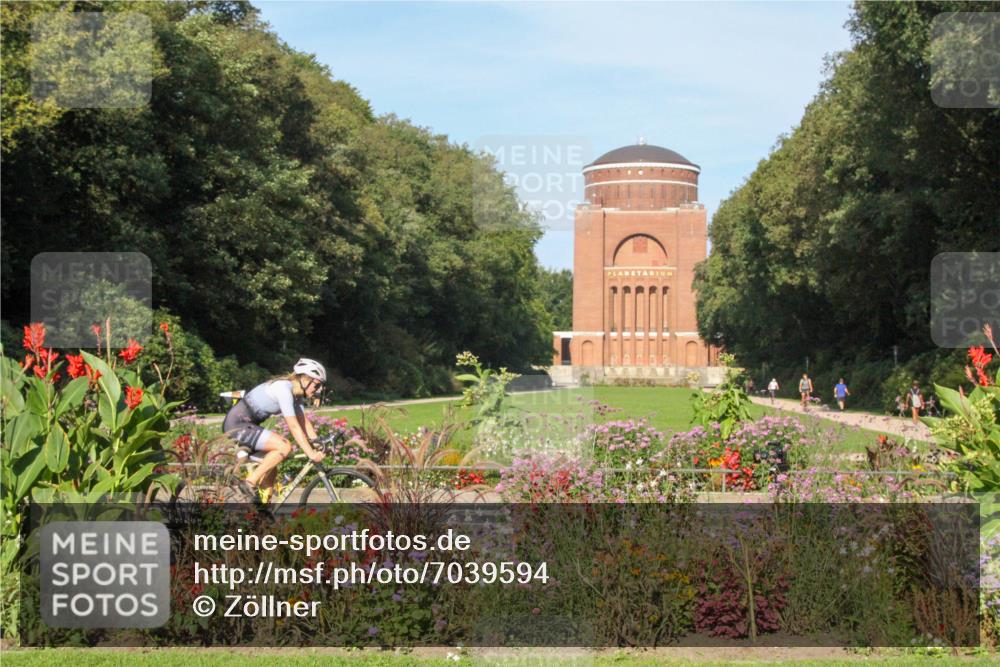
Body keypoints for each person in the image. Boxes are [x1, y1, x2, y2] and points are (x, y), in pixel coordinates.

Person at [222, 358, 327, 500]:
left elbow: (304, 422)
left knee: (271, 468)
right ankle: (249, 483)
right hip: (236, 425)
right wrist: (311, 453)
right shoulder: (283, 389)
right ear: (305, 378)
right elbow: (294, 426)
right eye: (317, 385)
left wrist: (316, 442)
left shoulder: (296, 396)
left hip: (248, 426)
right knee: (284, 446)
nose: (318, 390)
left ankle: (261, 514)